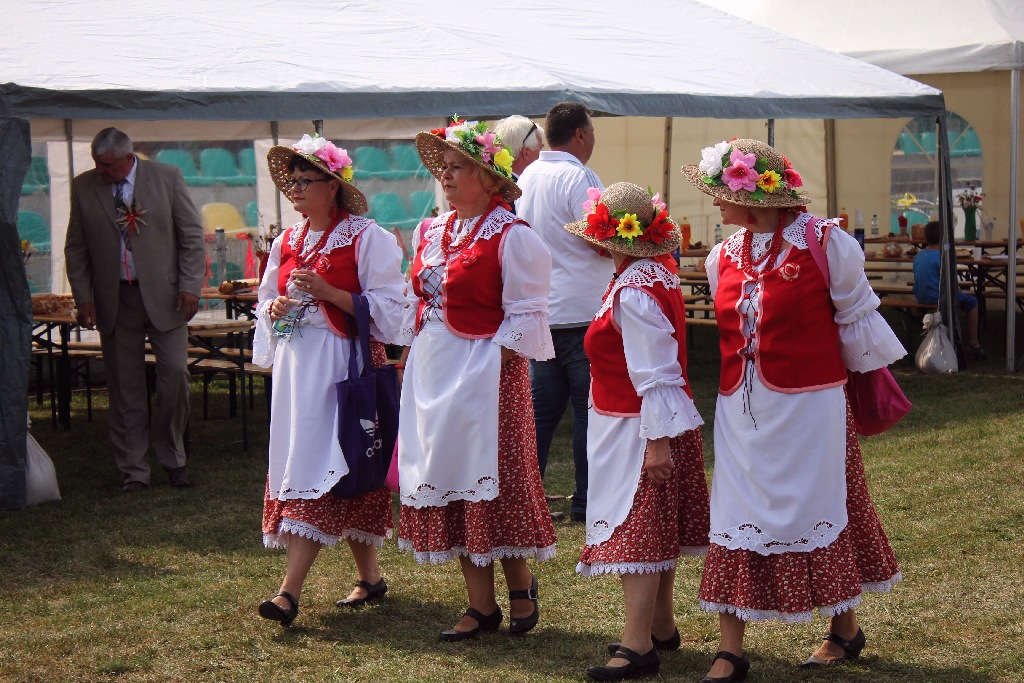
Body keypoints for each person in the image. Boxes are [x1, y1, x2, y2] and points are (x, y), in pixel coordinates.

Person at [681, 138, 905, 682]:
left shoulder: (827, 244)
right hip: (741, 408)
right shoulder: (720, 256)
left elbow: (856, 321)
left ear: (754, 195)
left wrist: (856, 396)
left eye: (720, 191)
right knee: (735, 514)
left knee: (819, 507)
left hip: (810, 407)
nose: (714, 203)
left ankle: (843, 627)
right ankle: (730, 649)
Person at [397, 118, 557, 641]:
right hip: (434, 368)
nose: (446, 175)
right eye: (443, 167)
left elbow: (527, 317)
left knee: (497, 482)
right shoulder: (430, 231)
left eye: (458, 166)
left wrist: (489, 374)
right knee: (449, 480)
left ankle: (518, 584)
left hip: (487, 373)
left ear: (489, 179)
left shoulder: (513, 237)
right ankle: (480, 604)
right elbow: (415, 300)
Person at [253, 134, 406, 627]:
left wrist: (332, 293)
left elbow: (391, 310)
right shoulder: (287, 240)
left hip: (342, 363)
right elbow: (266, 300)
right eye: (290, 181)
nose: (294, 189)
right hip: (299, 365)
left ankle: (287, 593)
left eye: (305, 180)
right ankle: (371, 575)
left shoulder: (367, 237)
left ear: (333, 186)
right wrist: (273, 309)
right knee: (332, 463)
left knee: (326, 459)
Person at [566, 183, 711, 681]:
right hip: (642, 421)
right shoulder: (653, 276)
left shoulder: (634, 290)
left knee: (640, 534)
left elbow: (655, 371)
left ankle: (637, 645)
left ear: (610, 239)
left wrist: (657, 443)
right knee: (655, 529)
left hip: (642, 427)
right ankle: (661, 627)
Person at [65, 127, 205, 492]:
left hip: (167, 297)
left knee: (175, 375)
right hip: (116, 300)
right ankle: (134, 471)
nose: (101, 170)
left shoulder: (167, 177)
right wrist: (84, 298)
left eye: (108, 164)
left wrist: (191, 286)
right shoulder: (84, 187)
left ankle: (173, 456)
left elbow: (191, 236)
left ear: (130, 158)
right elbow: (76, 248)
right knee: (124, 387)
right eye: (97, 163)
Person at [517, 101, 612, 523]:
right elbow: (599, 238)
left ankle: (528, 500)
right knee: (588, 413)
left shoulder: (528, 176)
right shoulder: (579, 175)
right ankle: (585, 501)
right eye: (591, 131)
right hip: (582, 310)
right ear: (579, 134)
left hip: (543, 311)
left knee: (540, 415)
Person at [913, 220, 986, 358]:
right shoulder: (943, 257)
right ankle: (973, 343)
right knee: (973, 302)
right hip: (938, 296)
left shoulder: (918, 256)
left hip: (921, 296)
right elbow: (950, 282)